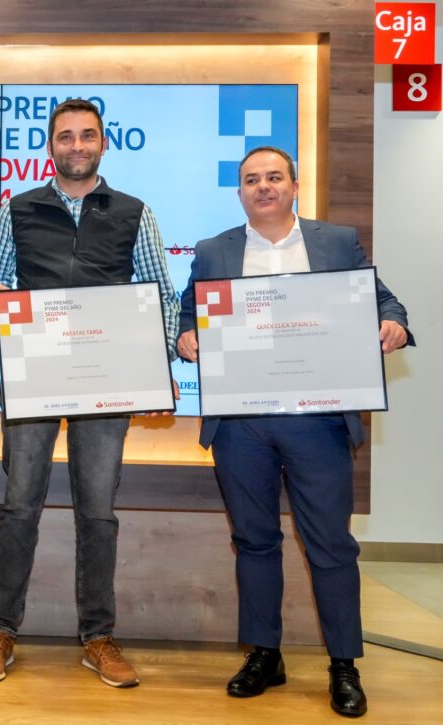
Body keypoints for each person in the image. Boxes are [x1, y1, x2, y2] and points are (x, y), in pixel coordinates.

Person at [176, 146, 412, 718]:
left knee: (331, 545)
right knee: (254, 541)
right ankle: (265, 654)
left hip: (318, 418)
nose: (263, 186)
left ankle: (343, 664)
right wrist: (185, 337)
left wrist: (393, 322)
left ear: (294, 185)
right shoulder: (213, 250)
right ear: (239, 193)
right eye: (251, 179)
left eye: (274, 177)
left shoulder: (336, 242)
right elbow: (188, 313)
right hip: (242, 422)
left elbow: (382, 298)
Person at [0, 99, 180, 686]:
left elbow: (160, 293)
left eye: (87, 135)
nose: (77, 146)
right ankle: (0, 629)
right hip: (33, 377)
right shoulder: (18, 208)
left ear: (103, 144)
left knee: (98, 512)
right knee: (19, 507)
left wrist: (157, 366)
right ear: (51, 147)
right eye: (66, 137)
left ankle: (98, 636)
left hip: (106, 381)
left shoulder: (134, 211)